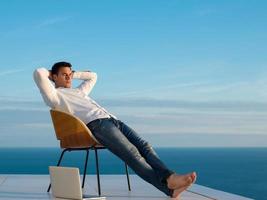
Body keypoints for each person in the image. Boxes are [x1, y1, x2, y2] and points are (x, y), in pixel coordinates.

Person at [33, 61, 197, 199]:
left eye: (70, 73)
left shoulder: (78, 91)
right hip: (97, 125)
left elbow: (93, 76)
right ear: (54, 77)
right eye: (64, 74)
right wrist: (51, 73)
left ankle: (170, 180)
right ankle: (168, 185)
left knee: (144, 146)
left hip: (113, 120)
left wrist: (72, 73)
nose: (68, 77)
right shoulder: (55, 96)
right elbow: (38, 73)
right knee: (132, 154)